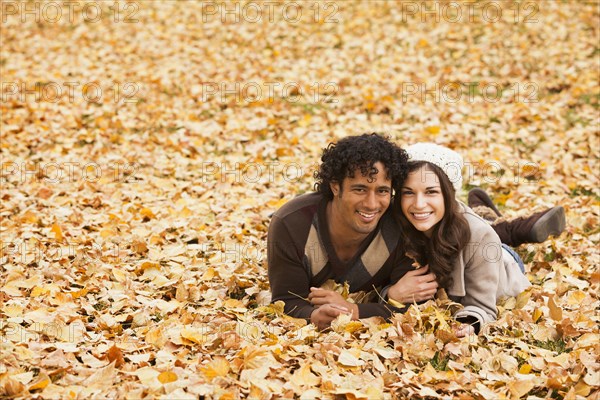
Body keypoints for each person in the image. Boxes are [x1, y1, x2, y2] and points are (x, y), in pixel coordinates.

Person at [387, 143, 565, 337]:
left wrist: (471, 323)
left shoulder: (480, 236)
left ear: (449, 195)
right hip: (462, 228)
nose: (419, 204)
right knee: (479, 225)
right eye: (408, 192)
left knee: (486, 231)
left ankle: (519, 228)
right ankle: (483, 207)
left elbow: (483, 307)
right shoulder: (396, 222)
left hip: (503, 263)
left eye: (431, 192)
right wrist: (392, 295)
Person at [267, 133, 413, 330]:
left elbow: (412, 307)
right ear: (336, 186)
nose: (371, 204)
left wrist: (355, 311)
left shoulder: (401, 226)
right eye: (360, 190)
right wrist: (313, 315)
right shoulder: (292, 224)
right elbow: (286, 300)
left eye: (382, 191)